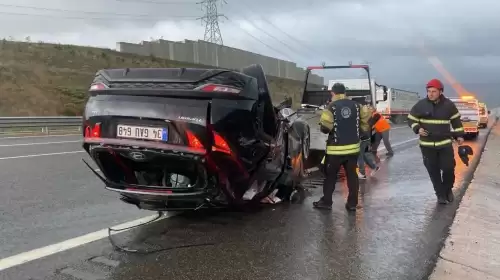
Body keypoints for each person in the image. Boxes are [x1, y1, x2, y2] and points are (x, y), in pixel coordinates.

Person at [313, 83, 371, 211]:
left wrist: (322, 123)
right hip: (353, 150)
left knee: (331, 176)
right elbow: (366, 122)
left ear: (333, 93)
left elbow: (325, 129)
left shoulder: (331, 107)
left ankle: (326, 202)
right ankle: (352, 204)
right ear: (345, 93)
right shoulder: (357, 106)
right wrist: (359, 132)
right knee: (352, 177)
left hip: (335, 150)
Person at [407, 78, 465, 204]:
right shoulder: (420, 105)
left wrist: (460, 135)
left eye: (434, 91)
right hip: (427, 145)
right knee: (433, 171)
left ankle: (448, 189)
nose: (431, 94)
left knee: (449, 168)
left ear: (440, 92)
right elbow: (411, 119)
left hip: (444, 144)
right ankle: (440, 195)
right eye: (429, 91)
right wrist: (417, 128)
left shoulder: (449, 105)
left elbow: (456, 121)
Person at [358, 104, 380, 179]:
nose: (367, 108)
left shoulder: (366, 117)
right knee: (364, 155)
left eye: (368, 107)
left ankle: (362, 173)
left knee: (359, 155)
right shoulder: (370, 116)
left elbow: (363, 127)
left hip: (363, 138)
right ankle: (374, 167)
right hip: (367, 138)